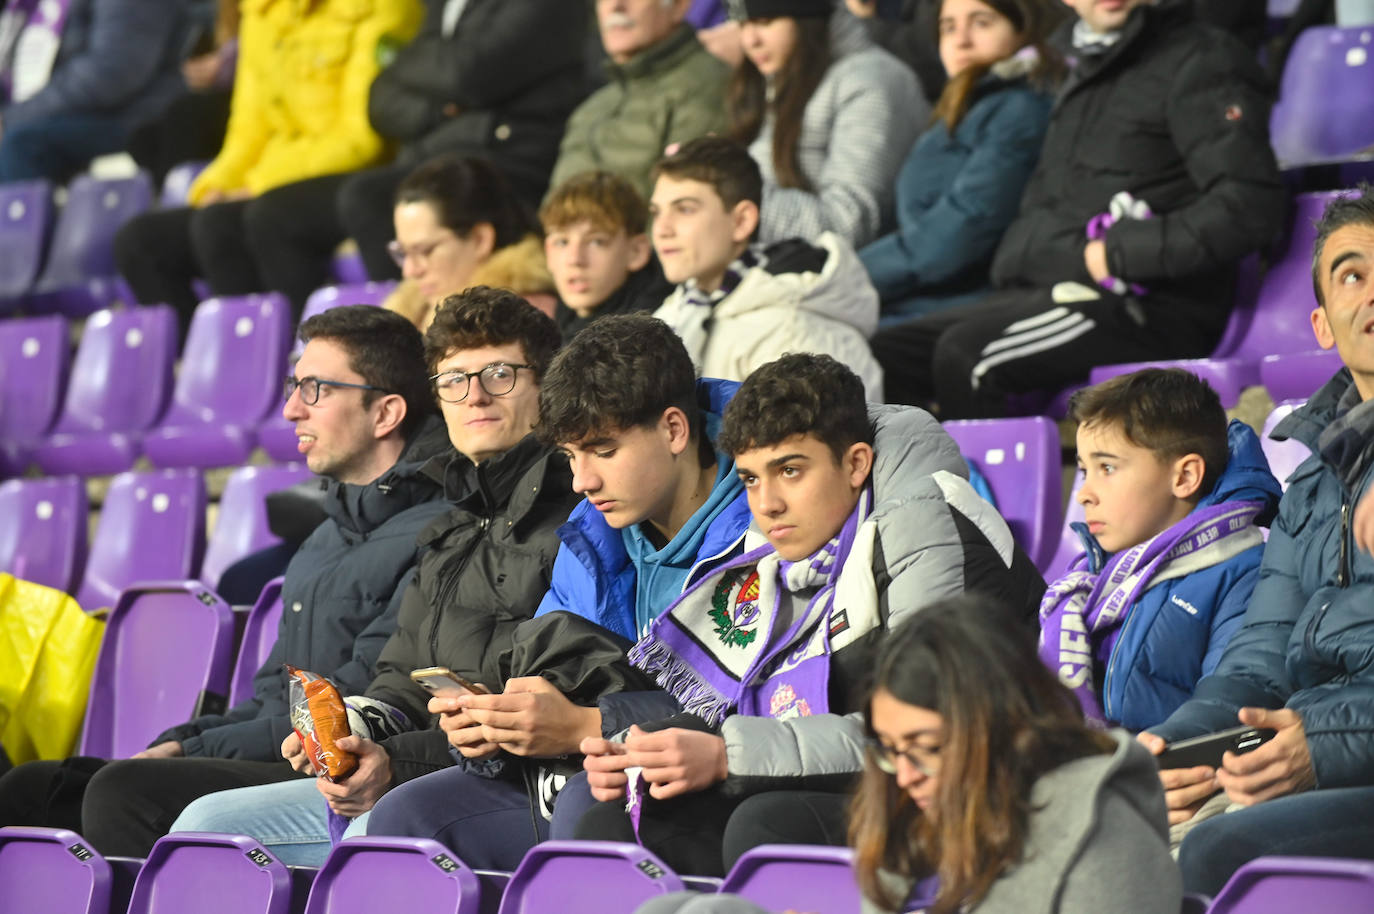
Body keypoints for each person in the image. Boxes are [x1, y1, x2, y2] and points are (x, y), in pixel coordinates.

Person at [569, 353, 1047, 876]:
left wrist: (729, 755)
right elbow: (753, 706)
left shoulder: (927, 535)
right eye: (750, 480)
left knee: (769, 826)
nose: (768, 504)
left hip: (971, 791)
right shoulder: (784, 549)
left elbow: (934, 736)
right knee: (614, 824)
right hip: (858, 773)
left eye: (790, 471)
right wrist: (641, 752)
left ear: (856, 464)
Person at [0, 305, 451, 857]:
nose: (289, 410)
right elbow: (269, 697)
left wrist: (193, 746)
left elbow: (359, 691)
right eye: (293, 386)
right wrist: (183, 740)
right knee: (29, 789)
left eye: (315, 389)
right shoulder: (323, 541)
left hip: (330, 765)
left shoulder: (437, 531)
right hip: (270, 746)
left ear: (385, 413)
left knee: (125, 794)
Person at [165, 289, 581, 867]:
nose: (476, 395)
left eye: (500, 374)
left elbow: (535, 714)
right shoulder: (455, 525)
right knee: (204, 826)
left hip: (512, 782)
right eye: (454, 379)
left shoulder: (579, 517)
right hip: (412, 769)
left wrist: (398, 762)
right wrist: (350, 730)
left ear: (546, 386)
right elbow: (400, 677)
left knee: (369, 836)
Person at [352, 314, 755, 868]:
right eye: (570, 457)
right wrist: (497, 726)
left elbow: (757, 712)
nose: (584, 481)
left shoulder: (763, 524)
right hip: (584, 769)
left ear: (674, 431)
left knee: (593, 803)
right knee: (407, 818)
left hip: (707, 785)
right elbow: (551, 673)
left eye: (604, 451)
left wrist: (585, 725)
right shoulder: (593, 528)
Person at [869, 0, 1285, 418]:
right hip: (1055, 289)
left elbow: (1251, 205)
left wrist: (1119, 252)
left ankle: (980, 485)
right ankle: (925, 483)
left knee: (970, 357)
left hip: (1148, 305)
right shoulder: (1082, 67)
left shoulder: (1203, 57)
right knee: (882, 355)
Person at [637, 596, 1180, 914]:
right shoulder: (919, 813)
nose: (908, 777)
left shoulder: (1104, 834)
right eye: (893, 752)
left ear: (1007, 723)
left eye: (928, 749)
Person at [1140, 188, 1374, 895]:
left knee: (1214, 850)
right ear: (1323, 323)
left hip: (1349, 758)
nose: (1373, 295)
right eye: (1352, 276)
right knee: (1108, 823)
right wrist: (1185, 744)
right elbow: (1261, 654)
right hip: (1310, 746)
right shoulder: (1310, 485)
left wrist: (1325, 745)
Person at [212, 0, 591, 299]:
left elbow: (469, 73)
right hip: (433, 154)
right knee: (273, 214)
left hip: (504, 160)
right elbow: (380, 97)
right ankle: (302, 357)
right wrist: (443, 107)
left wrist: (422, 73)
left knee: (370, 198)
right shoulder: (444, 3)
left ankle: (406, 348)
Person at [112, 0, 425, 327]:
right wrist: (216, 185)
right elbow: (248, 129)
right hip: (275, 180)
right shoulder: (261, 10)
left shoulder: (382, 7)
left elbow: (361, 140)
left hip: (348, 175)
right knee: (139, 242)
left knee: (225, 224)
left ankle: (291, 356)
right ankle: (205, 365)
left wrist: (258, 184)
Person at [1040, 369, 1281, 733]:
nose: (1084, 493)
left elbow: (1227, 710)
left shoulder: (1246, 576)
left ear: (1184, 477)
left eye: (1106, 468)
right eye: (1084, 470)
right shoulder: (1088, 577)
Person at [858, 0, 1063, 325]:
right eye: (948, 27)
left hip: (966, 302)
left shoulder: (1021, 109)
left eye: (981, 23)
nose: (961, 39)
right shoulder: (964, 105)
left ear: (1024, 30)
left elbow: (959, 234)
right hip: (919, 294)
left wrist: (848, 273)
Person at [650, 136, 884, 400]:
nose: (661, 229)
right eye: (656, 212)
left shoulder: (796, 329)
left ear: (742, 221)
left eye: (685, 209)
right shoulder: (676, 312)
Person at [725, 0, 923, 249]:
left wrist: (729, 196)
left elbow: (849, 224)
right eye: (741, 24)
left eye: (764, 22)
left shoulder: (871, 82)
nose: (750, 40)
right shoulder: (787, 74)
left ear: (808, 18)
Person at [548, 0, 731, 201]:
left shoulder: (706, 86)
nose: (615, 5)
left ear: (679, 6)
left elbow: (681, 216)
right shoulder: (592, 107)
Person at [0, 0, 187, 183]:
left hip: (126, 118)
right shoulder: (24, 5)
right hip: (58, 113)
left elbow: (112, 74)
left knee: (23, 145)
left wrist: (11, 119)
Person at [382, 156, 556, 332]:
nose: (410, 270)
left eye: (425, 251)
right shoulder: (408, 318)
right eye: (402, 252)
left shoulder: (525, 322)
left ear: (480, 240)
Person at [540, 170, 673, 341]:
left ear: (636, 251)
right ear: (548, 253)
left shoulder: (655, 333)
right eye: (562, 242)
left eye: (597, 242)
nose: (575, 259)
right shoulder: (560, 320)